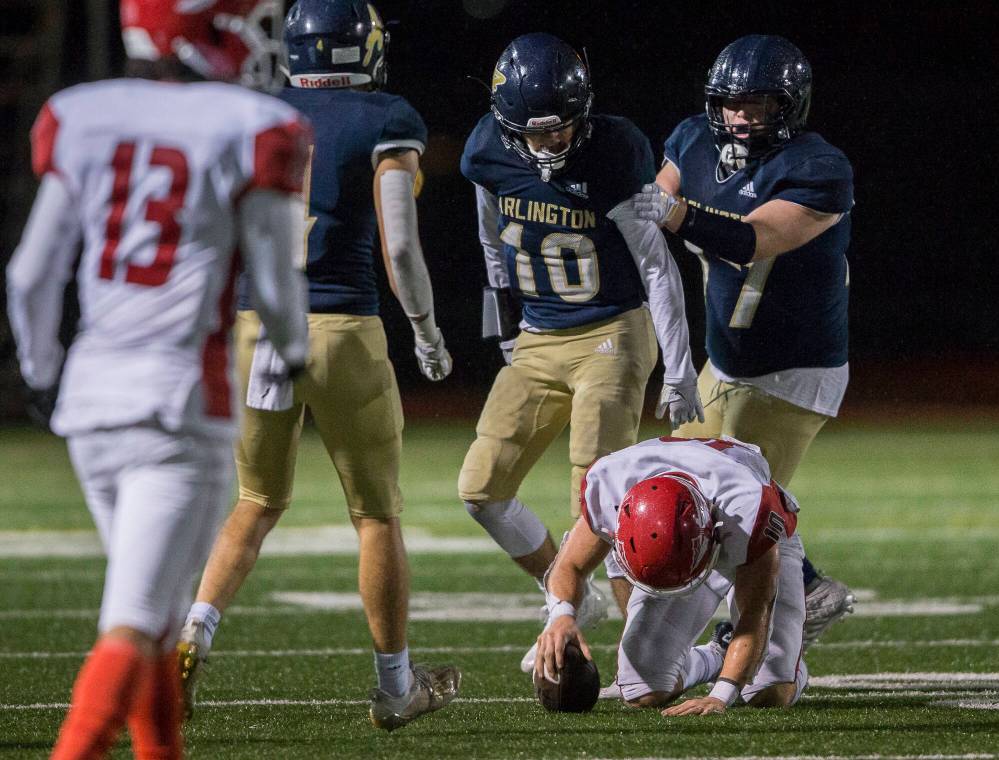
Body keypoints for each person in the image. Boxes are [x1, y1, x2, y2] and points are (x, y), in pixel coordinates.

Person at [5, 2, 311, 757]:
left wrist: (44, 372)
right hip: (178, 408)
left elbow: (29, 275)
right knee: (136, 623)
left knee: (159, 614)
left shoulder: (85, 114)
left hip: (90, 404)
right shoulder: (248, 123)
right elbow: (274, 286)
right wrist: (294, 351)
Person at [174, 0, 459, 732]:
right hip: (341, 330)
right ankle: (395, 687)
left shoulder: (256, 112)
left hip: (253, 327)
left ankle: (191, 637)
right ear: (356, 48)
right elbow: (399, 246)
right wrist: (426, 329)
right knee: (376, 516)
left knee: (253, 504)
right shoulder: (383, 115)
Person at [458, 32, 704, 673]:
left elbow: (658, 266)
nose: (551, 145)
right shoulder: (487, 149)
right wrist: (506, 329)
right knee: (480, 489)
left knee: (599, 499)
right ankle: (566, 594)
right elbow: (492, 248)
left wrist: (678, 370)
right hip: (538, 336)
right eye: (535, 134)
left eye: (561, 130)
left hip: (611, 334)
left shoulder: (615, 149)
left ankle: (645, 655)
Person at [632, 34, 856, 644]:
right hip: (727, 362)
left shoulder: (819, 169)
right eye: (732, 103)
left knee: (723, 509)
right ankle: (805, 589)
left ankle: (762, 640)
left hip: (792, 369)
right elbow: (654, 198)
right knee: (682, 483)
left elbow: (752, 240)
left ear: (791, 106)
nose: (741, 117)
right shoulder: (693, 140)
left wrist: (672, 214)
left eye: (759, 104)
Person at [534, 436, 809, 714]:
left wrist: (720, 695)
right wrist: (562, 616)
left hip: (746, 537)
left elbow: (755, 609)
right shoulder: (612, 485)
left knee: (769, 692)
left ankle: (789, 658)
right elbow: (570, 566)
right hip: (687, 534)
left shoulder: (748, 507)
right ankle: (719, 654)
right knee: (642, 689)